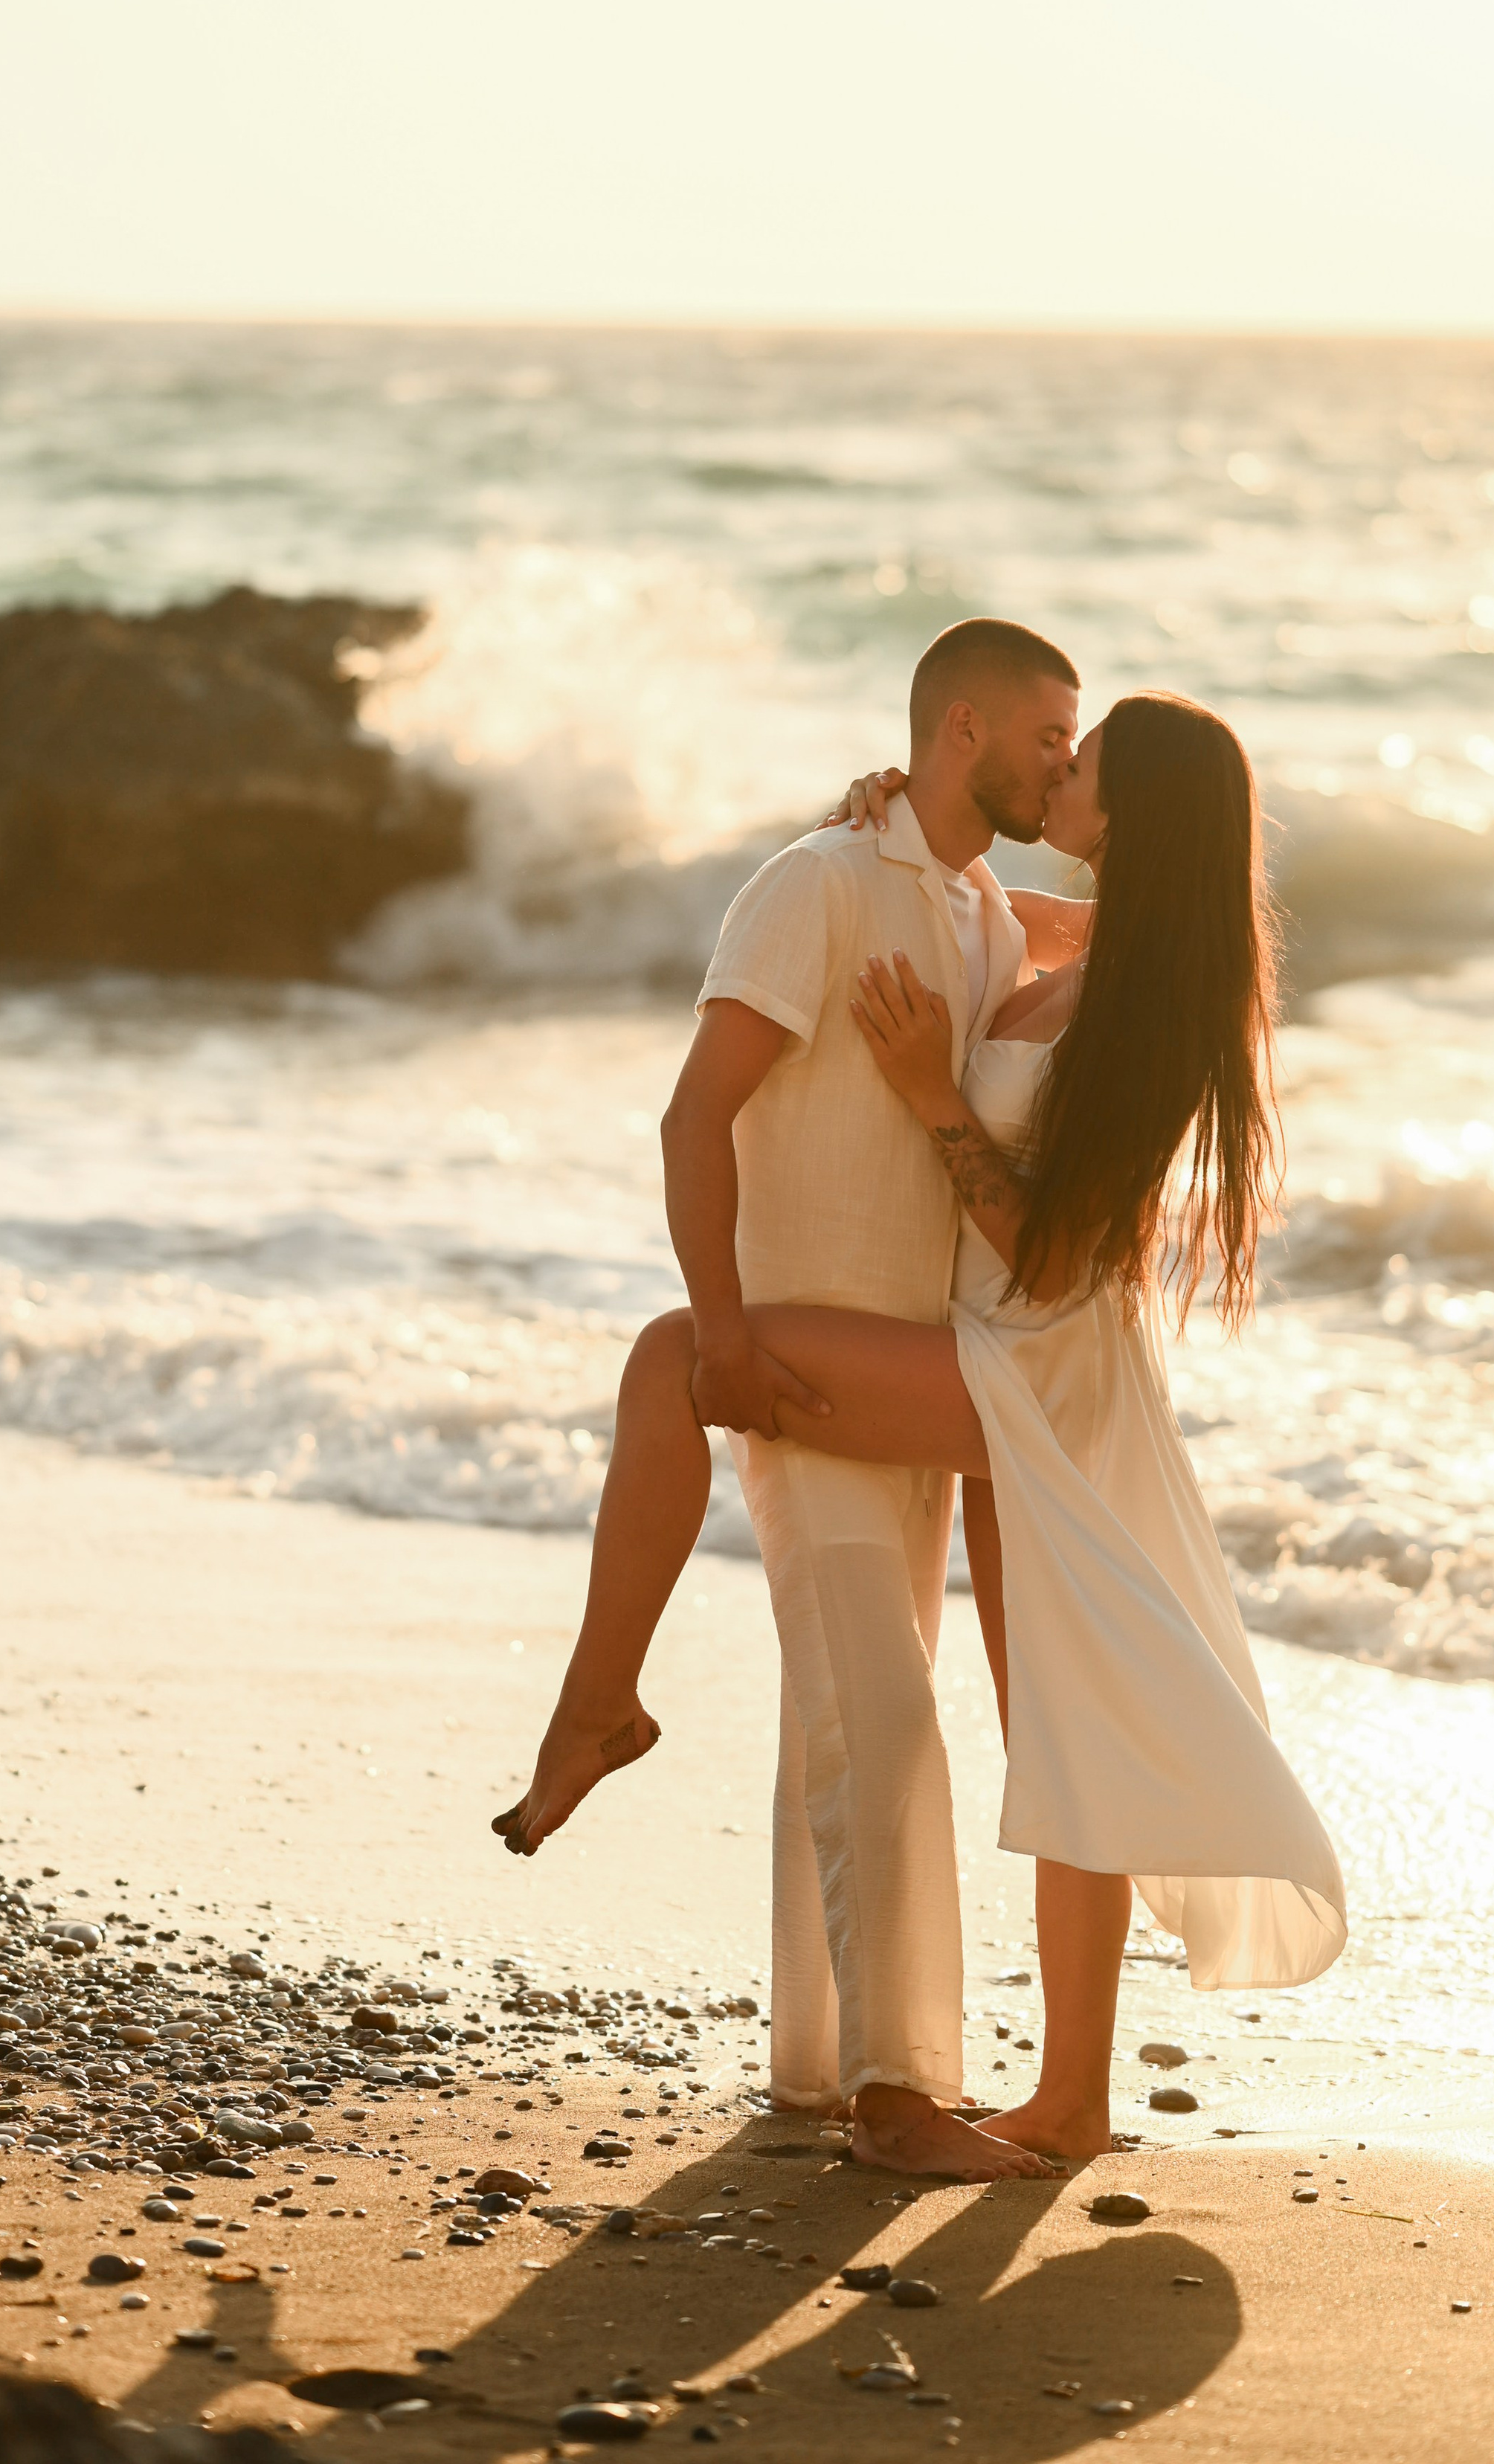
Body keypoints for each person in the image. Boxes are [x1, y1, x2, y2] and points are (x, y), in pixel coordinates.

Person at [495, 666, 1349, 2169]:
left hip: (1027, 1368)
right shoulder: (1072, 935)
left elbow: (1046, 1254)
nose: (1057, 774)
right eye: (1048, 742)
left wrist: (923, 1092)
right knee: (1060, 1726)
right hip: (998, 1358)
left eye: (1078, 759)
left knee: (673, 1354)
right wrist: (887, 839)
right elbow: (971, 903)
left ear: (1125, 806)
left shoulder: (1149, 997)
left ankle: (598, 1700)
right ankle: (1069, 2101)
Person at [495, 617, 1084, 2184]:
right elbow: (695, 1113)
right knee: (878, 1714)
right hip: (799, 1360)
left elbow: (1137, 934)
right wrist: (731, 1328)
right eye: (1043, 736)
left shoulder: (971, 910)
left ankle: (815, 2062)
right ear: (960, 726)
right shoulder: (811, 885)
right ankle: (897, 2096)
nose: (1058, 763)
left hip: (914, 1375)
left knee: (843, 1694)